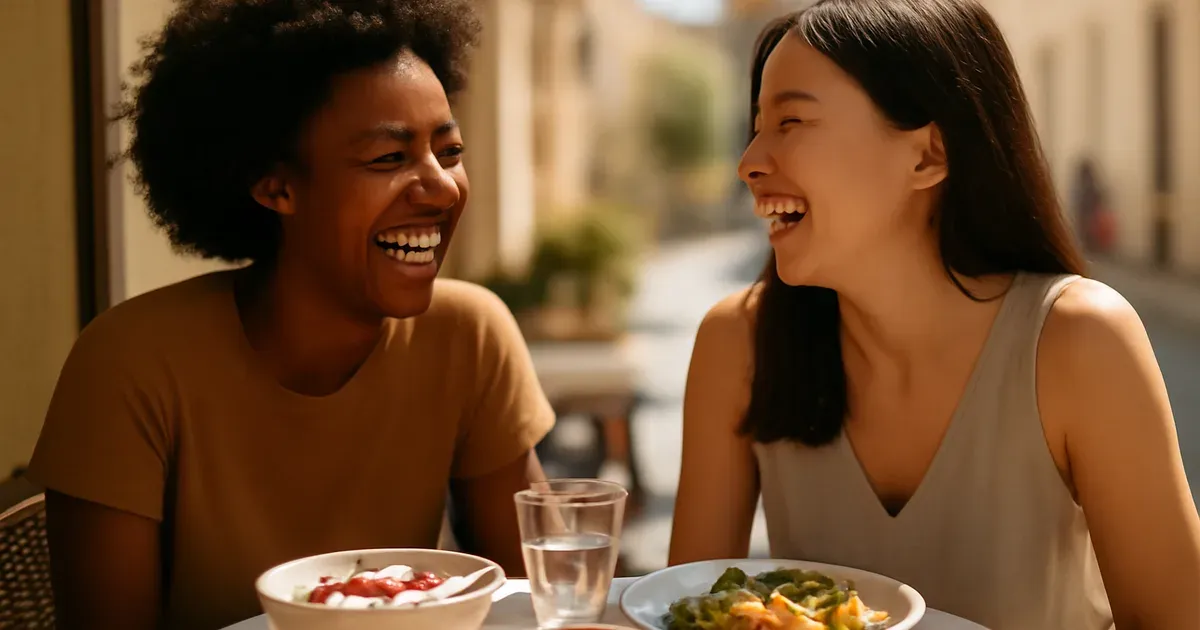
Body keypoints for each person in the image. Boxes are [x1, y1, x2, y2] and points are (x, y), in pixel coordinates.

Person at [668, 1, 1200, 629]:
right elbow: (683, 613)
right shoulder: (739, 344)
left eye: (791, 121)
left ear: (927, 155)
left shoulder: (1078, 342)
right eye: (757, 125)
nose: (750, 161)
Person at [26, 2, 555, 629]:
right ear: (276, 186)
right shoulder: (131, 364)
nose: (441, 187)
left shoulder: (470, 333)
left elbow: (533, 601)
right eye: (389, 158)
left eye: (449, 149)